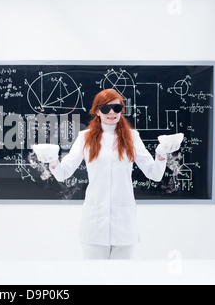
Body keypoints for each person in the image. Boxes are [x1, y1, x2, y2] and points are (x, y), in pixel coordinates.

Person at [34, 89, 181, 260]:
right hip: (95, 222)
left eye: (117, 108)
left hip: (123, 223)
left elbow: (154, 174)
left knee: (122, 277)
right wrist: (52, 160)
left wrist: (161, 154)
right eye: (105, 108)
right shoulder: (85, 137)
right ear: (97, 111)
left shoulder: (132, 137)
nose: (112, 112)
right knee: (94, 277)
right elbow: (62, 173)